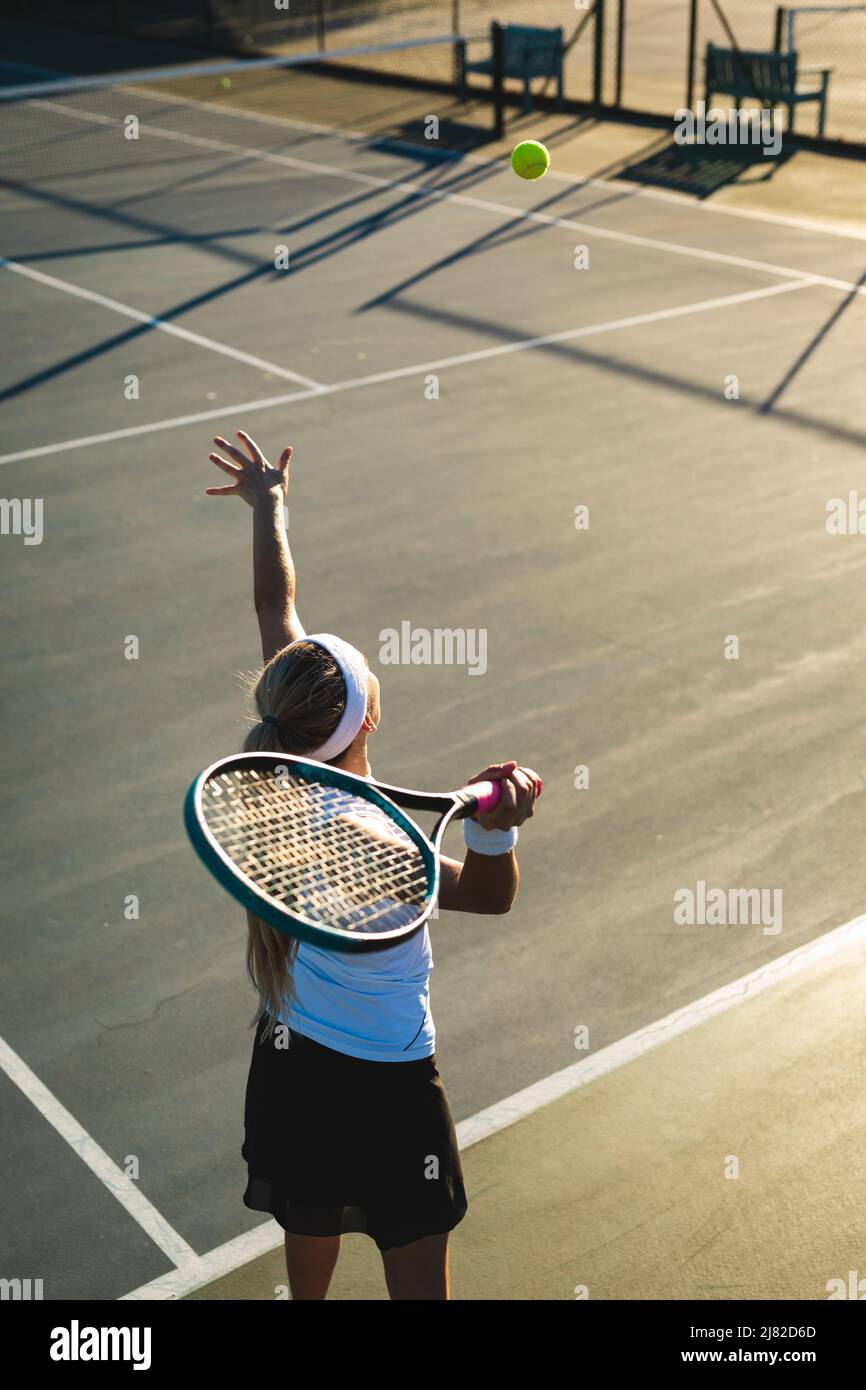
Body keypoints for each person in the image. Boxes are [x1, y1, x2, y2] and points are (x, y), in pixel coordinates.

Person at [206, 429, 540, 1300]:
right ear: (365, 724)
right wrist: (499, 826)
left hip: (291, 1063)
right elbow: (492, 899)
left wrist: (268, 507)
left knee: (310, 1228)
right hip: (387, 1090)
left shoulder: (274, 772)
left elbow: (278, 611)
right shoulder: (387, 846)